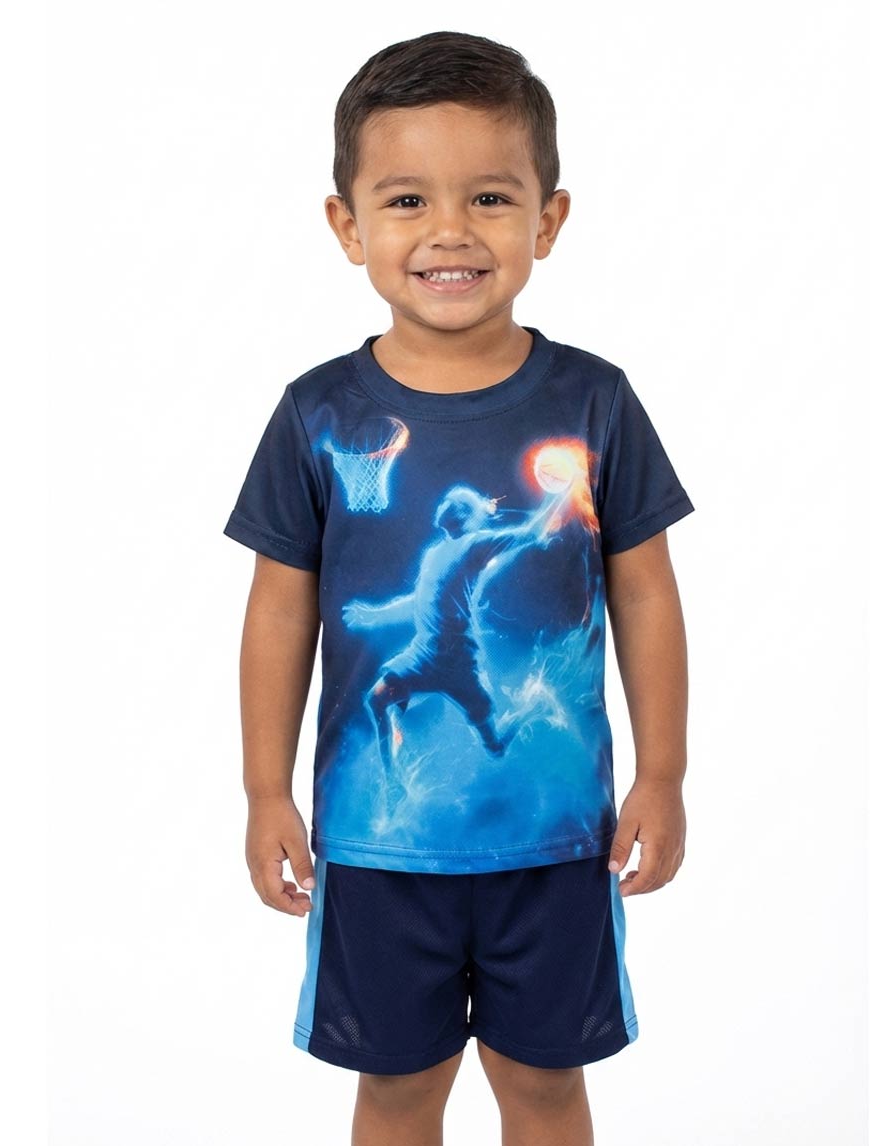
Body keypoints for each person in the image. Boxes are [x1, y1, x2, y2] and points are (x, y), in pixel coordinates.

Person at [223, 29, 695, 1146]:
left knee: (545, 1087)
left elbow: (645, 595)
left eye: (489, 197)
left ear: (548, 220)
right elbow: (281, 608)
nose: (449, 230)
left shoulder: (595, 403)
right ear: (347, 226)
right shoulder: (317, 416)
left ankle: (500, 733)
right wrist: (264, 792)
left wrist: (664, 773)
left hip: (558, 844)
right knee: (395, 1091)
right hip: (379, 849)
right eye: (405, 201)